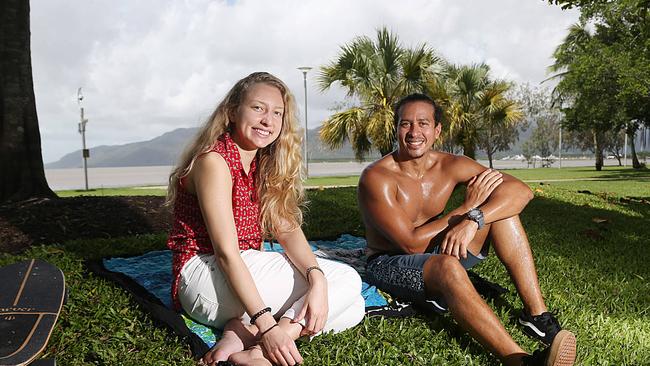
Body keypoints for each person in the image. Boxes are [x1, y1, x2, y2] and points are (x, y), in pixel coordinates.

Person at [358, 93, 577, 366]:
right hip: (390, 261)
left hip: (439, 249)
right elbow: (411, 245)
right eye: (406, 124)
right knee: (448, 267)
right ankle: (519, 360)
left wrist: (475, 218)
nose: (414, 132)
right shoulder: (377, 177)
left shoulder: (451, 165)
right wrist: (466, 208)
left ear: (437, 130)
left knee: (502, 214)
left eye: (423, 123)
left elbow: (520, 191)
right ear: (397, 128)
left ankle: (536, 317)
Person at [166, 72, 365, 366]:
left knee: (354, 306)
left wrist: (317, 277)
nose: (267, 120)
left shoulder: (263, 162)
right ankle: (267, 341)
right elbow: (226, 253)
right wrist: (268, 324)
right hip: (204, 277)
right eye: (258, 108)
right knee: (348, 280)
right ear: (233, 112)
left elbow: (287, 228)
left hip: (236, 283)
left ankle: (248, 340)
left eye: (277, 113)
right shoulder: (214, 162)